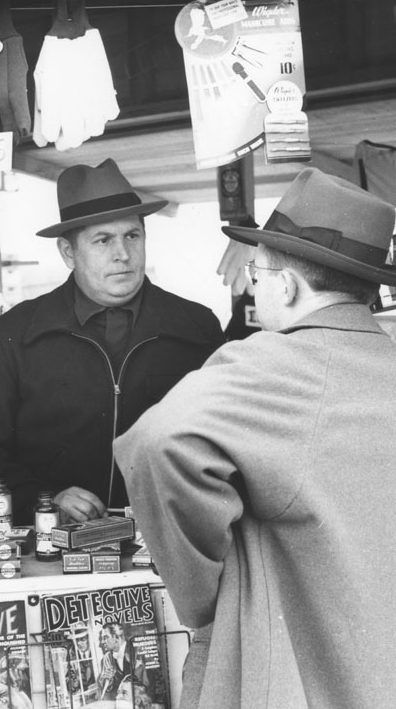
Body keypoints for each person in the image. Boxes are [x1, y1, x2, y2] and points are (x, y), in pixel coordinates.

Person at [114, 167, 396, 708]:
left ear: (287, 286)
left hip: (297, 678)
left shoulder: (273, 364)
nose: (253, 285)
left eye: (256, 274)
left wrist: (202, 588)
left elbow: (156, 442)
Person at [0, 158, 224, 524]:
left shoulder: (196, 327)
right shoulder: (12, 335)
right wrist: (41, 500)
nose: (122, 254)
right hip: (49, 544)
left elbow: (223, 440)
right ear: (68, 252)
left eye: (132, 236)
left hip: (169, 541)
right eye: (103, 240)